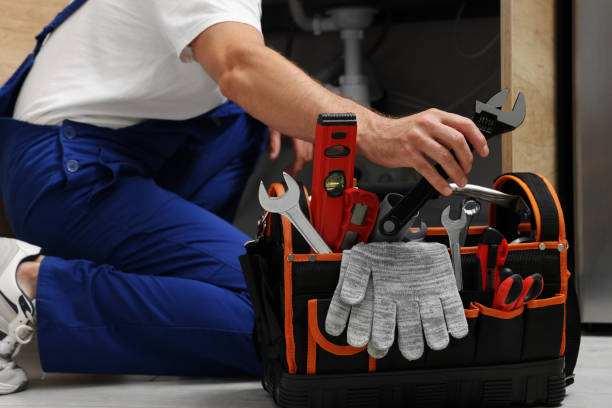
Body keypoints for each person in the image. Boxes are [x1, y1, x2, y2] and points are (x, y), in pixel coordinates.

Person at [0, 0, 489, 394]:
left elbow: (231, 69)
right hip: (70, 172)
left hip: (107, 153)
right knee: (279, 321)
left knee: (246, 117)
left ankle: (154, 304)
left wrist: (279, 110)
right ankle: (25, 284)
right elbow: (237, 66)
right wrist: (378, 132)